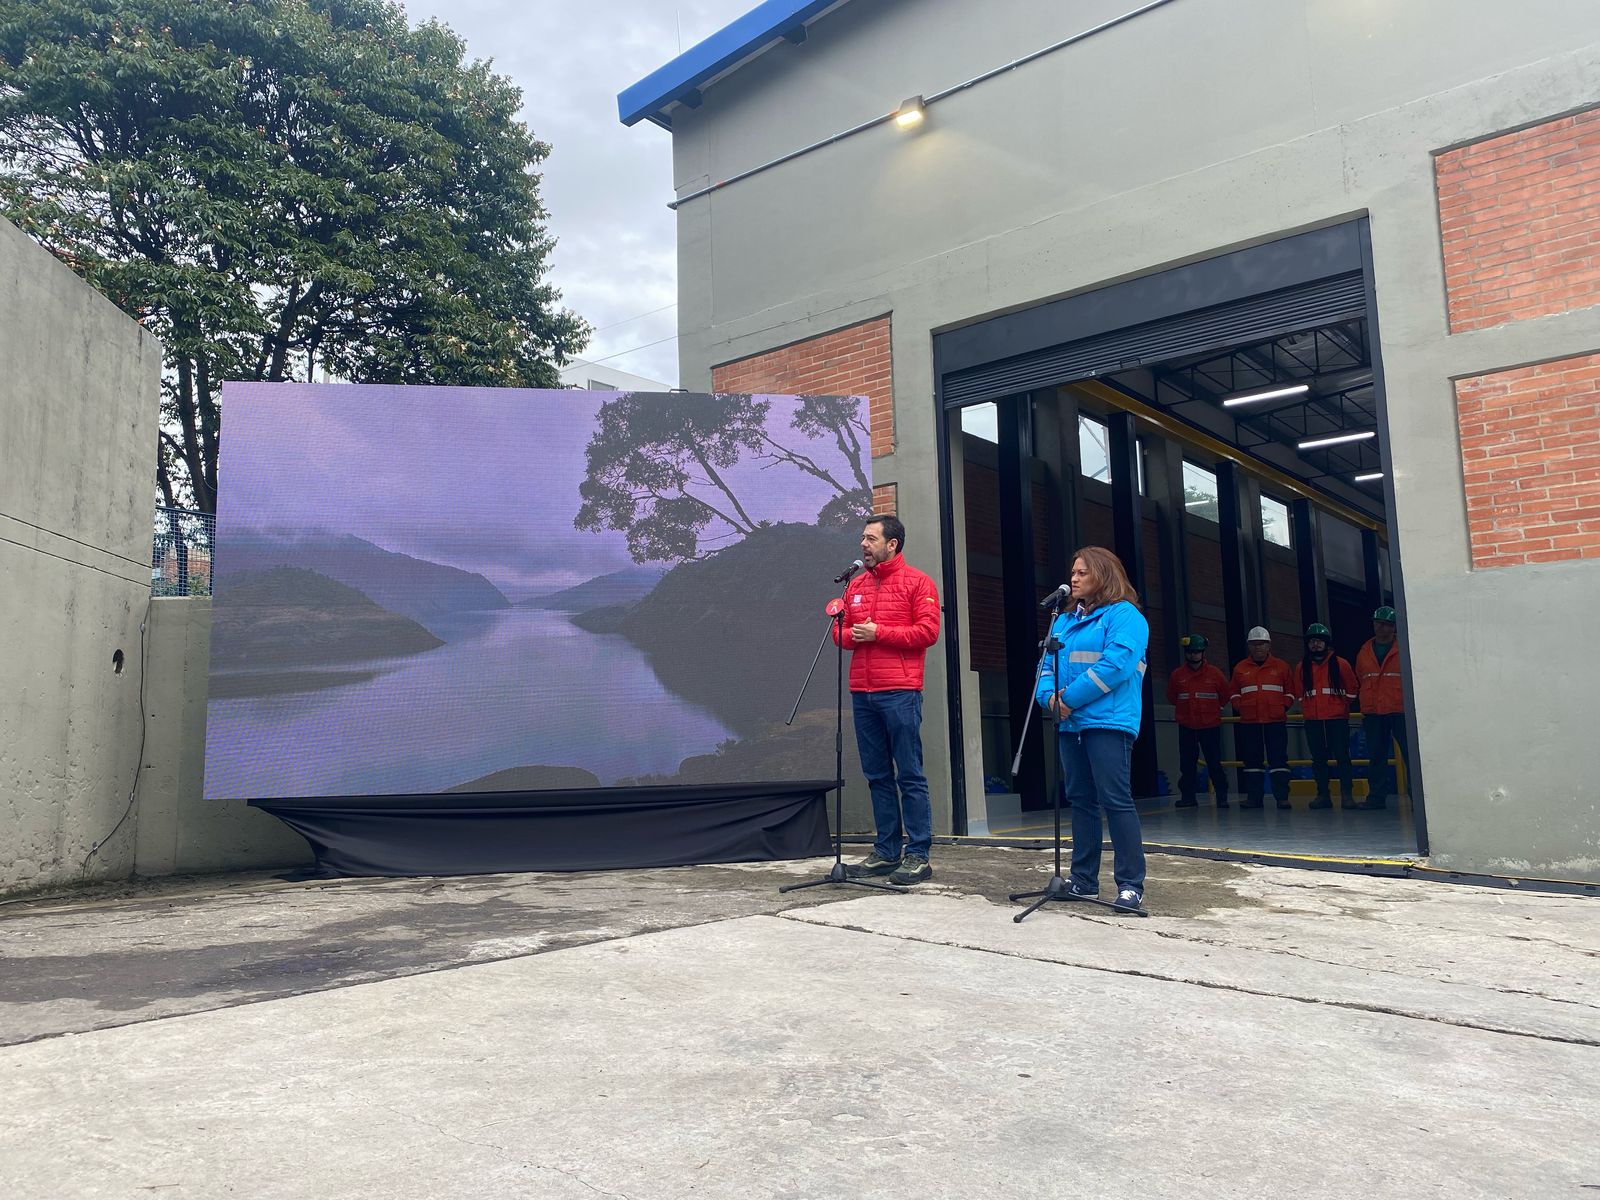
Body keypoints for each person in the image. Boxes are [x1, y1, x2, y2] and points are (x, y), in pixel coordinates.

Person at [1035, 546, 1151, 912]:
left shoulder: (1125, 616)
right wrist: (1049, 699)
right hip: (1071, 725)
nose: (1074, 578)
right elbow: (1045, 667)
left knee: (1115, 801)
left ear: (1104, 574)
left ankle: (1131, 884)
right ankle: (1083, 879)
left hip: (1108, 722)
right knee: (1081, 801)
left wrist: (1068, 699)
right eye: (1073, 572)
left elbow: (1116, 666)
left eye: (1082, 572)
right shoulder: (1065, 620)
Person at [837, 515, 942, 885]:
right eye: (862, 538)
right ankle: (885, 852)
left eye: (870, 538)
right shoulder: (857, 584)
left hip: (899, 690)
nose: (863, 544)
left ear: (892, 544)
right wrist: (851, 632)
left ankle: (918, 854)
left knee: (909, 774)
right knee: (877, 775)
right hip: (862, 692)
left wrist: (879, 632)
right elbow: (842, 636)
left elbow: (928, 632)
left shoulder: (919, 582)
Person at [1229, 627, 1298, 809]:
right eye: (1254, 644)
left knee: (1279, 761)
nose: (1258, 648)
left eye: (1261, 644)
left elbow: (1291, 692)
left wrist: (1283, 706)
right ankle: (1254, 798)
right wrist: (1240, 707)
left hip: (1275, 720)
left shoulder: (1281, 667)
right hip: (1250, 721)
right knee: (1252, 762)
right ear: (1249, 647)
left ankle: (1282, 797)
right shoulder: (1240, 669)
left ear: (1268, 645)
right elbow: (1234, 693)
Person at [1353, 605, 1408, 811]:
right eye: (1378, 623)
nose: (1382, 628)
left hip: (1400, 710)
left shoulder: (1404, 648)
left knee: (1410, 756)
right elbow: (1361, 678)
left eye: (1387, 625)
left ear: (1394, 627)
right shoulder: (1364, 652)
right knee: (1376, 756)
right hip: (1374, 712)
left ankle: (1417, 798)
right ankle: (1376, 797)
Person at [1166, 633, 1230, 809]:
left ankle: (1222, 796)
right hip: (1187, 725)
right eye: (1190, 652)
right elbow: (1172, 696)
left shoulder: (1215, 674)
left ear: (1203, 653)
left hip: (1210, 725)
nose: (1193, 655)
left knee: (1214, 762)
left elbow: (1225, 695)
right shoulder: (1177, 675)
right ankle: (1188, 797)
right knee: (1187, 764)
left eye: (1196, 652)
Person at [1299, 623, 1356, 810]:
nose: (1316, 645)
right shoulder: (1302, 667)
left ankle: (1347, 795)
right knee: (1318, 759)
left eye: (1319, 641)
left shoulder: (1341, 664)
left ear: (1326, 643)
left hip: (1337, 718)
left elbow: (1352, 689)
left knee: (1342, 757)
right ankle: (1323, 795)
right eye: (1312, 641)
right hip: (1313, 719)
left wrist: (1340, 706)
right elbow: (1298, 690)